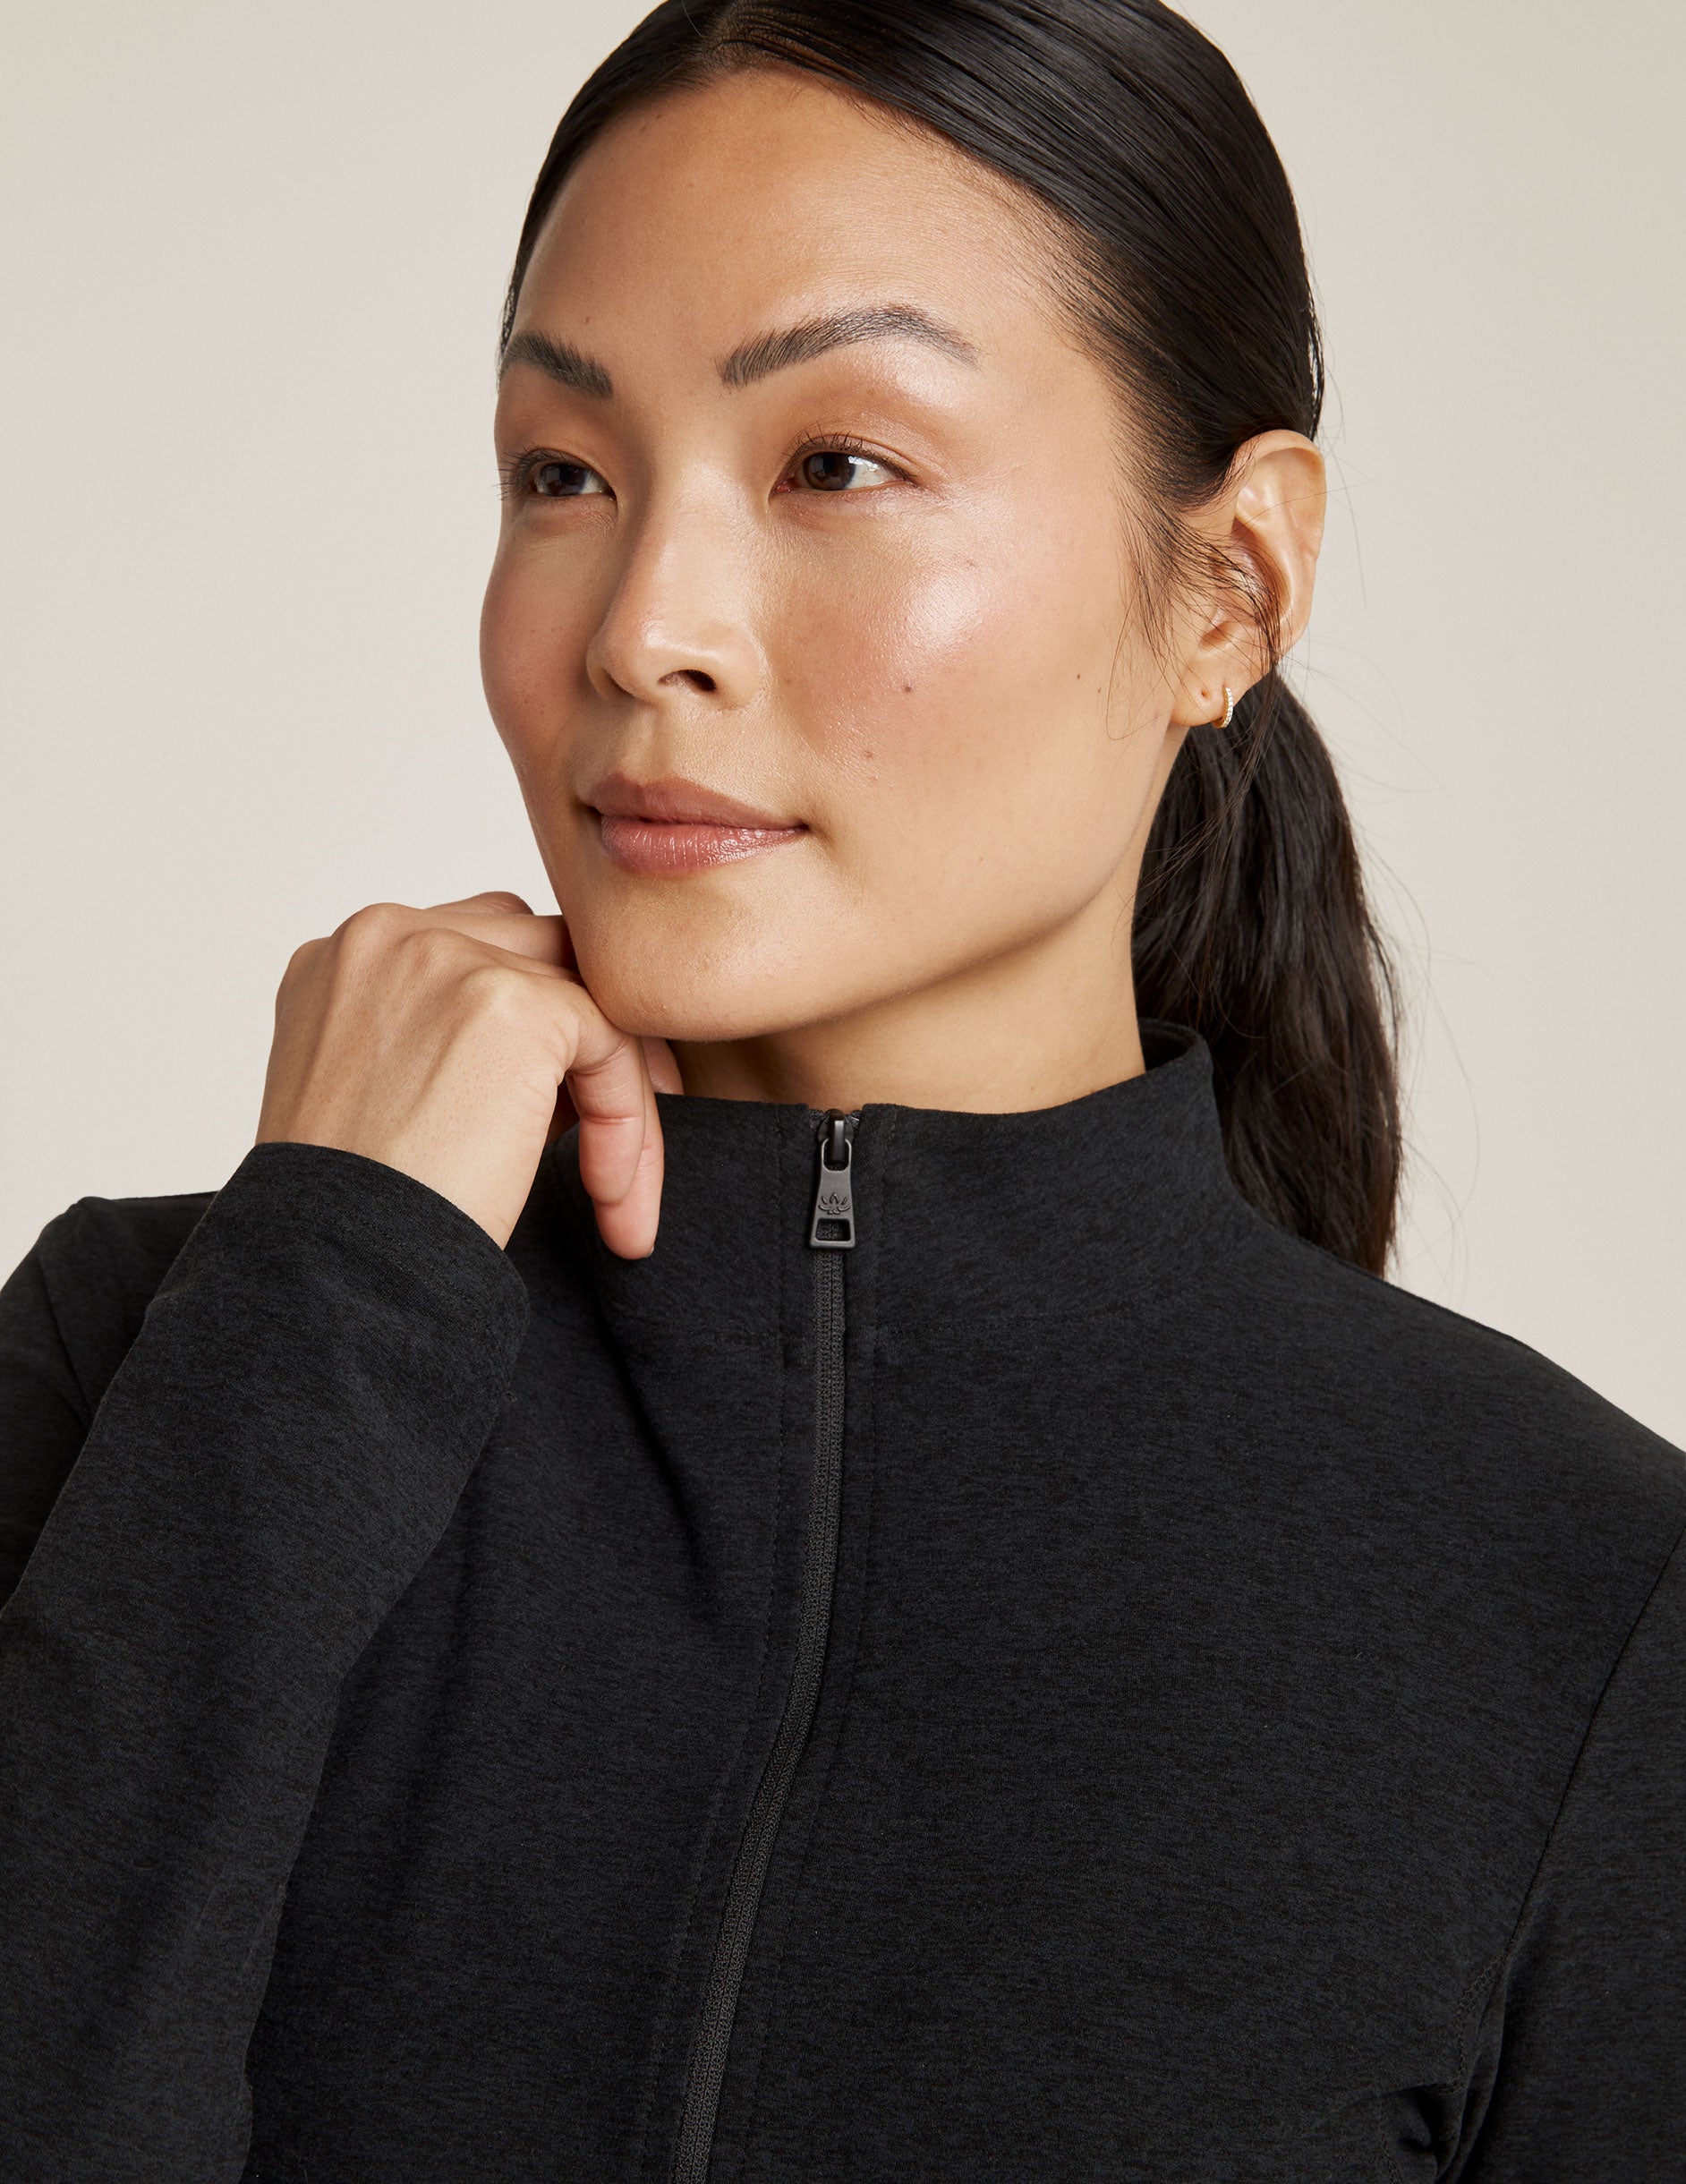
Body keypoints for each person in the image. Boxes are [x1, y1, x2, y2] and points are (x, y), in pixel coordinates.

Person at [1, 1, 1681, 2177]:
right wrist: (325, 1288)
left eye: (837, 465)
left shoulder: (1581, 1605)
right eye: (565, 473)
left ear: (1231, 585)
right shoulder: (161, 1375)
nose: (643, 629)